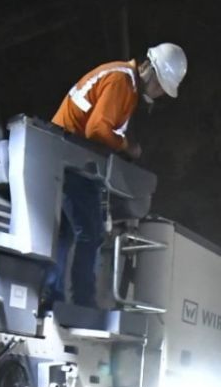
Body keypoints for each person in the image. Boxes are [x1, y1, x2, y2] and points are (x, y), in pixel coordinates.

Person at [44, 43, 187, 309]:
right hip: (74, 158)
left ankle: (53, 297)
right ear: (151, 72)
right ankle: (82, 302)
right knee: (91, 233)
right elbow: (97, 129)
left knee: (66, 232)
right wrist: (128, 147)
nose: (159, 95)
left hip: (64, 155)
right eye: (161, 88)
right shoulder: (122, 81)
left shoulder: (122, 79)